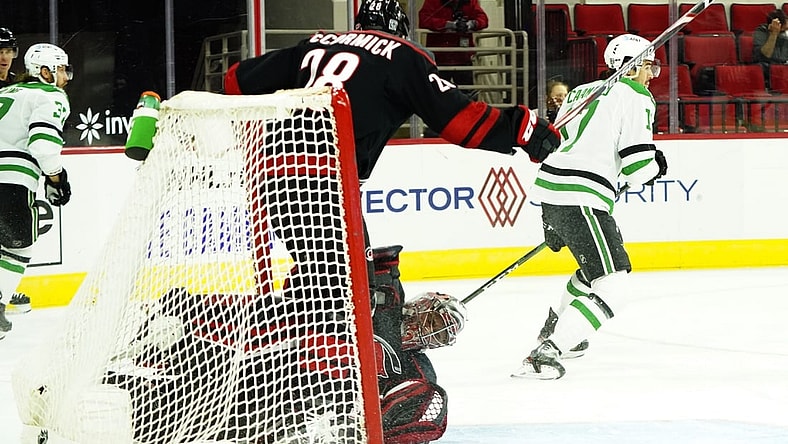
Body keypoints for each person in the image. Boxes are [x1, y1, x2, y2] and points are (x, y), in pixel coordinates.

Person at [224, 0, 559, 439]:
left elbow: (235, 81)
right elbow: (461, 121)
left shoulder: (316, 43)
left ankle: (292, 376)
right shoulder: (402, 55)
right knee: (338, 291)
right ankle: (309, 398)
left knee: (325, 282)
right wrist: (525, 130)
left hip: (270, 177)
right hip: (327, 181)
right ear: (401, 27)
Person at [511, 34, 668, 380]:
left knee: (590, 270)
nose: (650, 75)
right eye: (648, 66)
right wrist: (656, 165)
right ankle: (546, 353)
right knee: (614, 285)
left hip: (551, 194)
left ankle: (556, 330)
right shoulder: (635, 95)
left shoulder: (581, 91)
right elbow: (638, 168)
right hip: (581, 197)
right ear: (631, 67)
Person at [0, 43, 73, 339]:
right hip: (11, 181)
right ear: (44, 72)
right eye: (61, 70)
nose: (66, 77)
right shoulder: (50, 94)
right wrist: (56, 177)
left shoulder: (4, 92)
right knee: (19, 243)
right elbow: (43, 145)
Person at [0, 27, 34, 314]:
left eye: (8, 51)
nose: (4, 57)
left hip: (9, 171)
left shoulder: (19, 87)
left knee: (12, 234)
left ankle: (3, 289)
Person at [418, 0, 489, 89]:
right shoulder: (434, 1)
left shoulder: (470, 2)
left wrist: (472, 24)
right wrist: (449, 25)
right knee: (439, 93)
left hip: (462, 57)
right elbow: (424, 19)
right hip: (440, 57)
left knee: (467, 93)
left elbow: (483, 18)